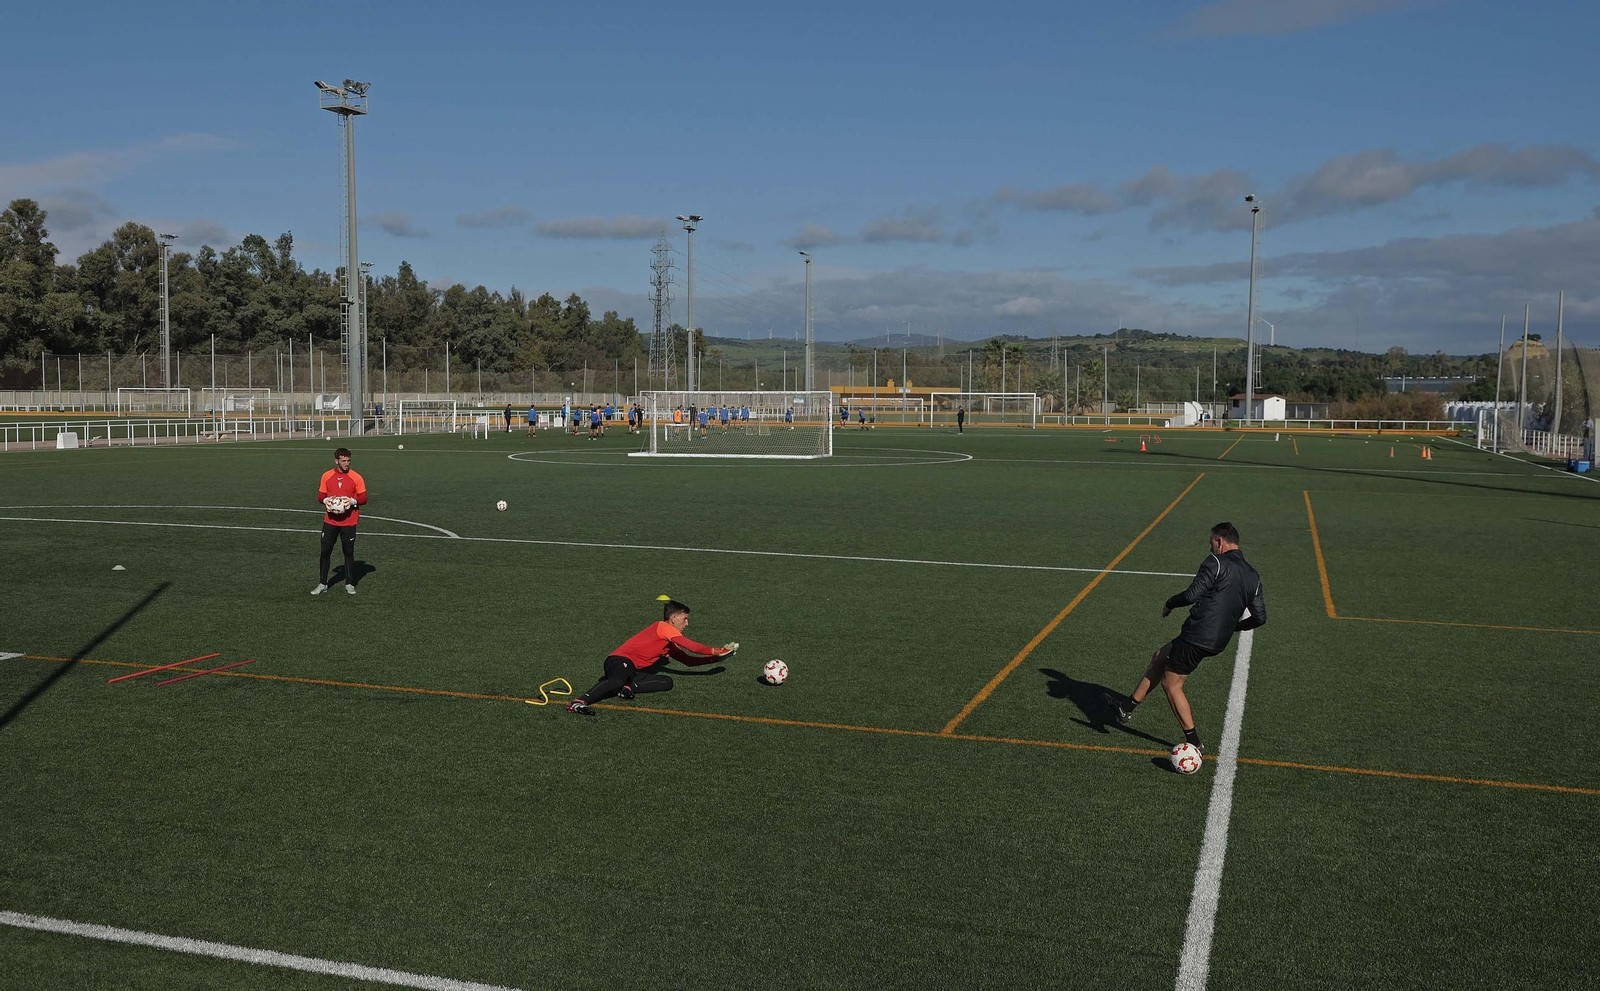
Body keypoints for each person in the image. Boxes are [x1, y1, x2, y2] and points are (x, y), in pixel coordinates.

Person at [1107, 522, 1267, 754]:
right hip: (1216, 640)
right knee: (1160, 657)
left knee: (1172, 684)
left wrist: (1169, 603)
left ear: (1220, 541)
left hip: (1198, 635)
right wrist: (1233, 627)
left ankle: (1193, 741)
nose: (1211, 547)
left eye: (1212, 542)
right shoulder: (1253, 574)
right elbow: (1260, 617)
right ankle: (1125, 707)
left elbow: (1193, 594)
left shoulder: (1216, 562)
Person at [567, 599, 737, 715]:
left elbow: (689, 661)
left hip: (631, 671)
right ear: (673, 618)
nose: (687, 624)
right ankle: (579, 701)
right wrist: (716, 650)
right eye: (685, 619)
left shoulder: (668, 642)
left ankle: (624, 687)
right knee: (618, 680)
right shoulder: (662, 626)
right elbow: (692, 647)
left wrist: (716, 659)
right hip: (618, 660)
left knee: (666, 682)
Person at [312, 448, 368, 596]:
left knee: (348, 552)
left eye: (348, 461)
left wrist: (352, 501)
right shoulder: (327, 476)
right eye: (343, 461)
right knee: (325, 551)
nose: (347, 464)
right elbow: (320, 496)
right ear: (336, 461)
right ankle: (322, 583)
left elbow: (364, 498)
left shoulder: (356, 477)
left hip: (349, 522)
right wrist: (326, 500)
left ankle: (349, 583)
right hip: (330, 521)